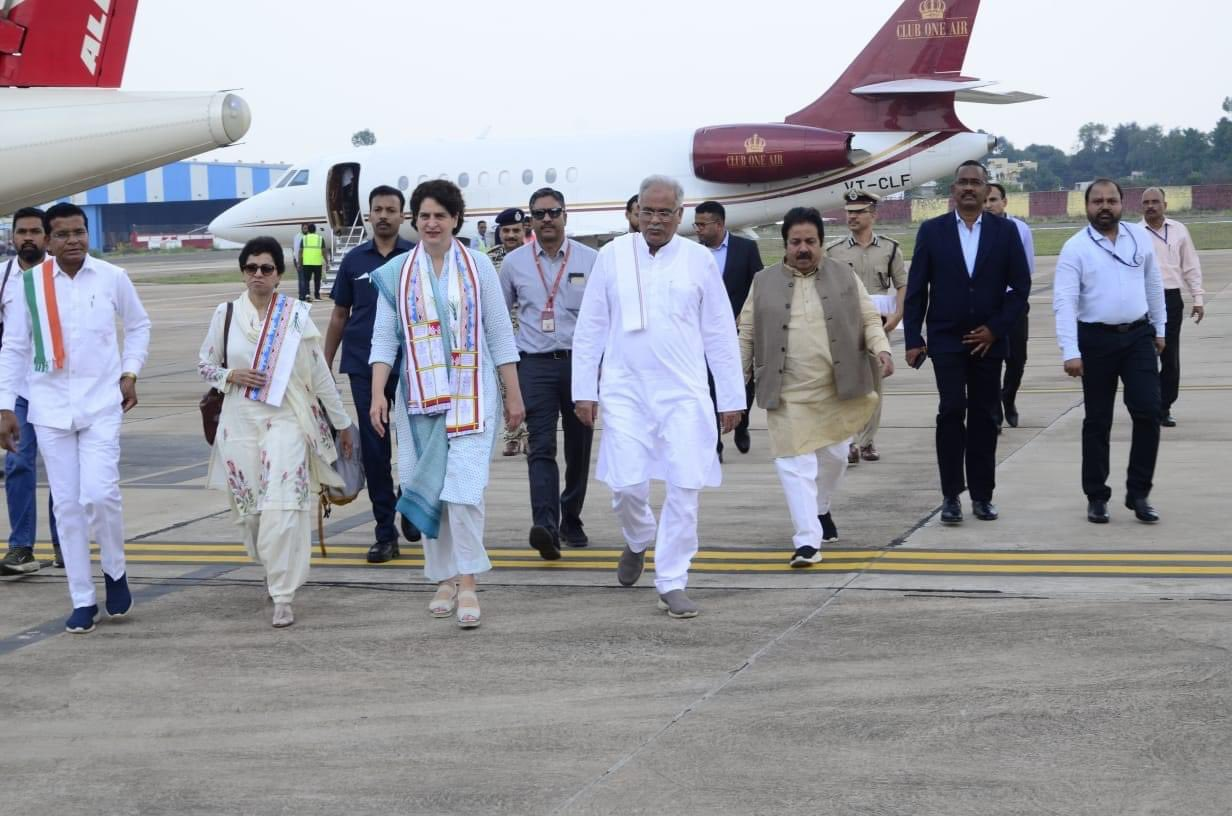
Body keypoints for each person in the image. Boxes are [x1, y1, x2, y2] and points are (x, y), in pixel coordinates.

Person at [572, 175, 743, 619]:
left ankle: (672, 580)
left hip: (684, 392)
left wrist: (731, 396)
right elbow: (590, 328)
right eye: (647, 211)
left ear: (679, 216)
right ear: (635, 212)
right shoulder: (612, 257)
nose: (654, 220)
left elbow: (720, 332)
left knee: (685, 486)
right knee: (627, 485)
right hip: (625, 390)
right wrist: (584, 390)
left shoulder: (697, 260)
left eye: (664, 213)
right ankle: (637, 539)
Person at [368, 180, 524, 630]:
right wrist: (378, 391)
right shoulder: (397, 272)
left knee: (464, 491)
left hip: (474, 397)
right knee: (432, 487)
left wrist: (513, 393)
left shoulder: (479, 267)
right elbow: (384, 340)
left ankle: (469, 582)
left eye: (440, 215)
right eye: (424, 216)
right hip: (419, 400)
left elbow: (499, 333)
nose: (431, 223)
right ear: (413, 221)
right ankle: (443, 578)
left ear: (456, 219)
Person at [0, 203, 151, 634]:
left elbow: (139, 325)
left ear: (88, 234)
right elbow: (12, 348)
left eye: (79, 232)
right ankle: (82, 598)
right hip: (48, 408)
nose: (73, 241)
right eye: (62, 234)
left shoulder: (111, 277)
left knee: (100, 495)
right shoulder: (30, 286)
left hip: (102, 403)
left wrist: (130, 370)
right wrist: (6, 406)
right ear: (47, 240)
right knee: (66, 505)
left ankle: (115, 571)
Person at [200, 237, 353, 628]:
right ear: (242, 271)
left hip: (286, 417)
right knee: (252, 513)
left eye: (266, 268)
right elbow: (204, 365)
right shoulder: (227, 314)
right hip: (239, 420)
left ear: (279, 275)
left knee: (284, 504)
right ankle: (273, 569)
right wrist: (228, 374)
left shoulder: (295, 316)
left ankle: (283, 594)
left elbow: (319, 374)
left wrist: (341, 422)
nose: (258, 275)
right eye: (251, 268)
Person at [740, 207, 892, 566]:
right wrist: (737, 379)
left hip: (836, 389)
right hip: (787, 393)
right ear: (785, 244)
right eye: (796, 242)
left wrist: (881, 349)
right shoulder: (763, 281)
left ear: (822, 243)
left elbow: (870, 318)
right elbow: (746, 332)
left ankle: (821, 507)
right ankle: (807, 541)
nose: (803, 248)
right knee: (796, 466)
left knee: (835, 458)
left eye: (810, 241)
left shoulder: (844, 275)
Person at [904, 161, 1030, 525]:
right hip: (947, 338)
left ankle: (982, 495)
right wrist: (914, 338)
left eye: (976, 182)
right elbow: (916, 290)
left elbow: (1020, 289)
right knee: (951, 409)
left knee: (985, 416)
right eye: (963, 182)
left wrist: (995, 329)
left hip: (989, 342)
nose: (969, 188)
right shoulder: (932, 231)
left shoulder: (1005, 232)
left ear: (986, 188)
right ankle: (950, 496)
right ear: (953, 190)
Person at [1054, 178, 1165, 525]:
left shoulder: (1138, 236)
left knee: (1148, 412)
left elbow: (1153, 283)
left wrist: (1160, 329)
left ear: (1122, 203)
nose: (1105, 206)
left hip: (1137, 337)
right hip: (1095, 341)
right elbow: (1065, 302)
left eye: (1112, 200)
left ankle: (1139, 492)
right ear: (1086, 206)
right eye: (1097, 201)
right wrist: (1070, 351)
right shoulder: (1075, 248)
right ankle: (1097, 496)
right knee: (1098, 421)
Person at [324, 185, 420, 564]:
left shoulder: (415, 259)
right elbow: (338, 317)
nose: (383, 215)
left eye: (390, 210)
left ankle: (411, 503)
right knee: (377, 452)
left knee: (417, 444)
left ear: (402, 216)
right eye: (377, 209)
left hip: (410, 366)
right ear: (369, 215)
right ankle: (385, 532)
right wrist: (324, 367)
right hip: (363, 367)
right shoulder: (353, 261)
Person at [501, 187, 598, 559]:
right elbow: (498, 315)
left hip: (579, 364)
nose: (546, 219)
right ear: (530, 220)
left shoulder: (591, 260)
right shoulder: (515, 263)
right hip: (535, 365)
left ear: (565, 216)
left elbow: (605, 316)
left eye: (553, 212)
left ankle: (570, 516)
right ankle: (545, 526)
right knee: (540, 447)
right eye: (539, 214)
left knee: (579, 448)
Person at [0, 207, 61, 575]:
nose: (28, 237)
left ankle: (63, 543)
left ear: (47, 237)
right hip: (18, 388)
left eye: (35, 231)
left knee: (61, 468)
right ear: (12, 238)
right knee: (18, 463)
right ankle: (22, 548)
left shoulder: (62, 276)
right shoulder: (4, 277)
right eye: (21, 231)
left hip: (56, 387)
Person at [825, 191, 906, 463]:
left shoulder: (890, 248)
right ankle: (848, 441)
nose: (852, 217)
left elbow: (902, 284)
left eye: (859, 211)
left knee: (874, 384)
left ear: (873, 214)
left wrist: (897, 314)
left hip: (878, 322)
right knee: (846, 384)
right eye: (849, 211)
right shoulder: (834, 250)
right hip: (845, 321)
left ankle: (868, 440)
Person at [694, 200, 762, 460]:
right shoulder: (694, 253)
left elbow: (758, 288)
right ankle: (716, 444)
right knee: (709, 386)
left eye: (703, 224)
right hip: (704, 334)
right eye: (696, 224)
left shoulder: (746, 249)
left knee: (744, 382)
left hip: (739, 329)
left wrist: (741, 317)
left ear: (719, 224)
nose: (698, 229)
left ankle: (741, 425)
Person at [1140, 187, 1203, 427]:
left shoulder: (1179, 231)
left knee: (1169, 355)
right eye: (1146, 202)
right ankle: (1146, 404)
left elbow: (1191, 266)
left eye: (1155, 202)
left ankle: (1164, 406)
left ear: (1165, 204)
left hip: (1171, 299)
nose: (1151, 206)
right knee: (1143, 356)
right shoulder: (1134, 233)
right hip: (1142, 301)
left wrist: (1197, 298)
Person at [984, 182, 1035, 430]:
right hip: (988, 306)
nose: (989, 205)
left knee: (1017, 359)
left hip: (1013, 302)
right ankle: (994, 411)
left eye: (994, 200)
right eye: (986, 200)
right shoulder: (976, 230)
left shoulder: (1020, 229)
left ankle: (1009, 397)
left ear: (1004, 202)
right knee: (991, 360)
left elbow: (1027, 269)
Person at [488, 208, 531, 456]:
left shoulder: (534, 259)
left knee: (532, 388)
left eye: (516, 230)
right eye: (506, 231)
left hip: (530, 334)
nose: (511, 235)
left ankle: (532, 434)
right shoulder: (488, 259)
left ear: (524, 230)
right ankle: (513, 436)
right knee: (506, 388)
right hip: (502, 334)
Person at [297, 224, 328, 302]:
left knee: (306, 280)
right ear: (315, 230)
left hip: (306, 263)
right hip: (317, 263)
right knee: (317, 280)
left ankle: (307, 294)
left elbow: (300, 252)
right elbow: (324, 251)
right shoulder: (320, 238)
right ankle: (317, 295)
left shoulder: (304, 238)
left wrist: (299, 263)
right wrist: (327, 261)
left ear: (308, 230)